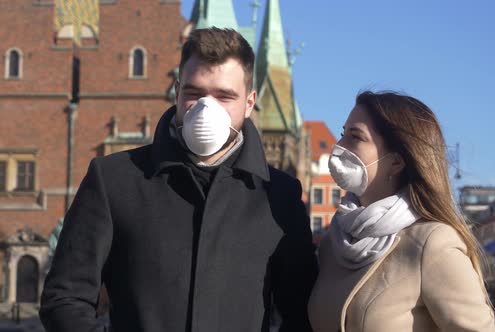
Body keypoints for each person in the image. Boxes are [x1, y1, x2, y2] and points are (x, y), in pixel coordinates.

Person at [39, 27, 318, 332]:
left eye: (225, 96)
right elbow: (65, 298)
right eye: (195, 93)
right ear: (177, 91)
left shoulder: (279, 195)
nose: (206, 108)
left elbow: (301, 312)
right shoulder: (114, 179)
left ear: (249, 103)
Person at [308, 91, 495, 331]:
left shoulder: (431, 243)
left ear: (396, 161)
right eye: (343, 134)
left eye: (355, 137)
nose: (339, 146)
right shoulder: (333, 242)